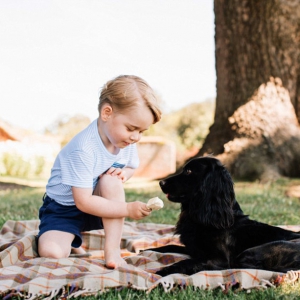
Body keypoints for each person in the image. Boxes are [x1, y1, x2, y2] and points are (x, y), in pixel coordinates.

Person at [37, 75, 162, 269]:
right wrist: (128, 209)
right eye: (132, 128)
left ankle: (112, 252)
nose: (136, 137)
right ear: (107, 113)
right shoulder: (83, 148)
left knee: (111, 181)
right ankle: (69, 238)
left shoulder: (124, 140)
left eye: (142, 131)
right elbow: (83, 201)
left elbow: (130, 167)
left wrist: (124, 175)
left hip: (99, 204)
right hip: (64, 209)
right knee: (52, 253)